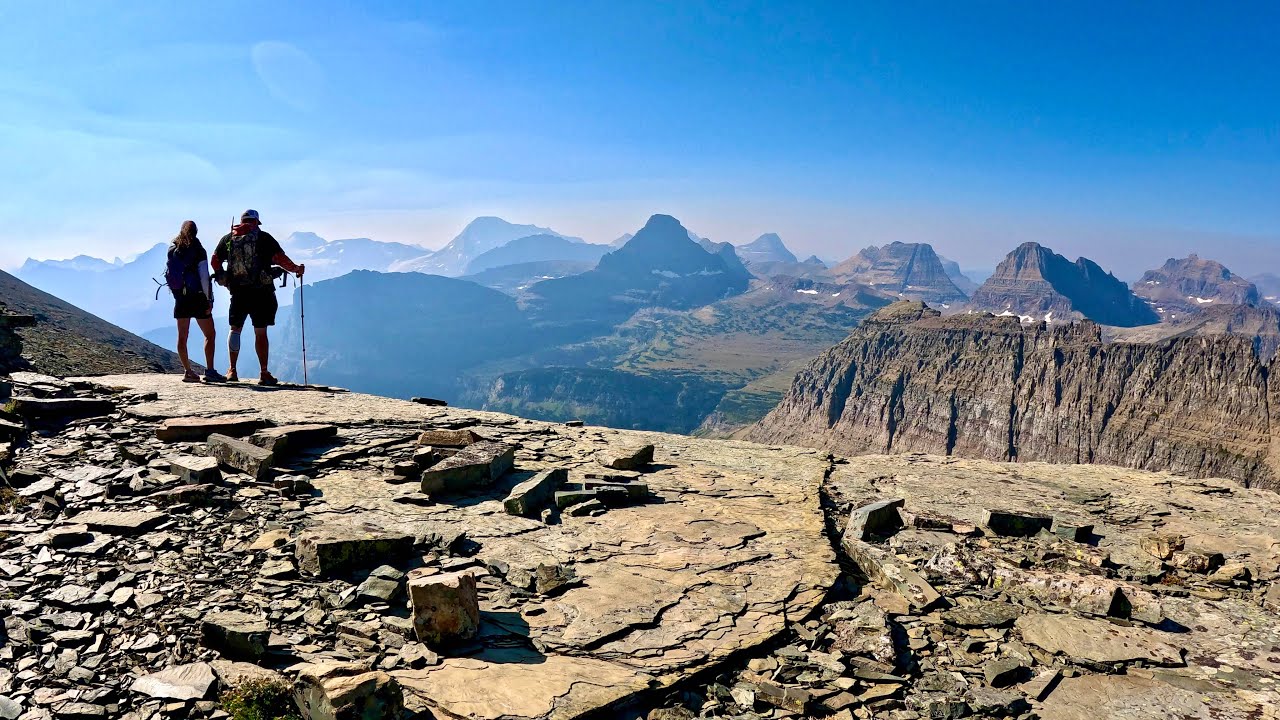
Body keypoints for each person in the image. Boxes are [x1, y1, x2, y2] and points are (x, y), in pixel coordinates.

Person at [211, 209, 305, 385]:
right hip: (262, 292)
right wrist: (297, 269)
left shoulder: (229, 239)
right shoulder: (263, 238)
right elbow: (280, 259)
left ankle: (232, 370)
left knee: (235, 329)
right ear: (256, 222)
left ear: (241, 221)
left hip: (238, 291)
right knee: (260, 332)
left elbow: (215, 260)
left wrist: (222, 275)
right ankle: (264, 372)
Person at [166, 221, 226, 383]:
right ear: (196, 232)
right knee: (210, 334)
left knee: (182, 337)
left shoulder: (172, 250)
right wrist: (209, 299)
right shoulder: (199, 250)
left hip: (180, 299)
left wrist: (178, 295)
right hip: (198, 298)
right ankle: (210, 371)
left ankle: (188, 371)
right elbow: (204, 277)